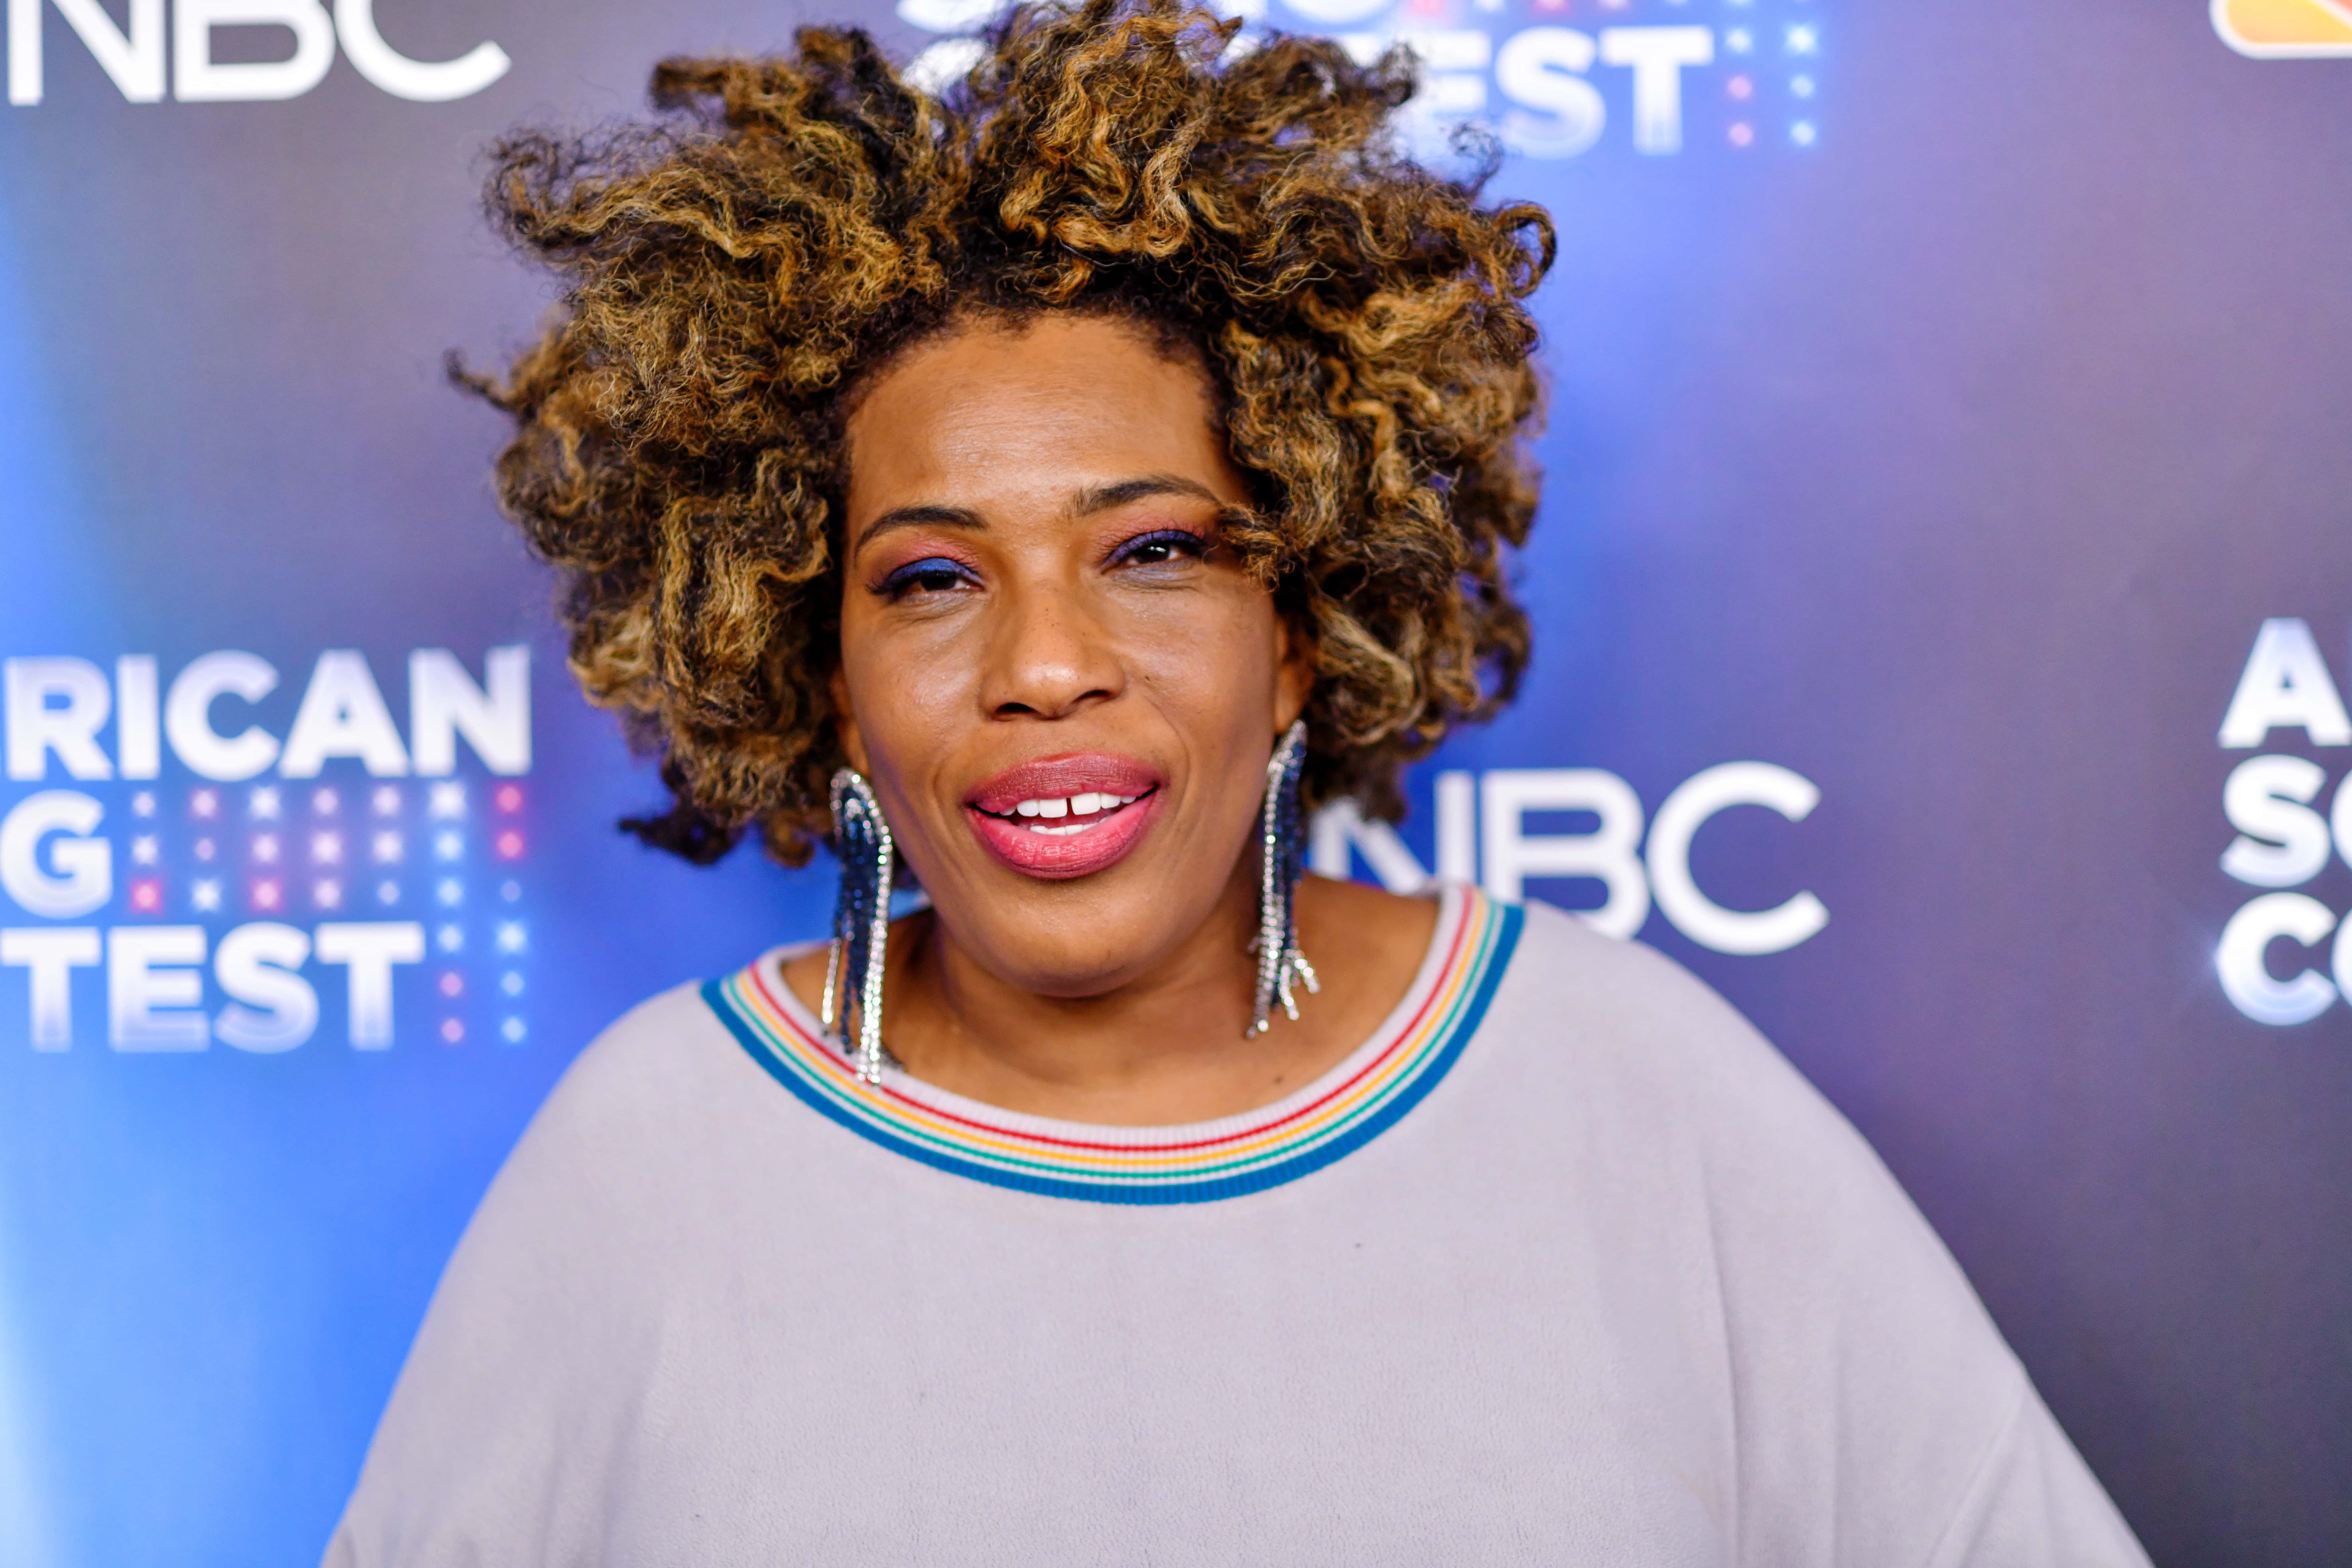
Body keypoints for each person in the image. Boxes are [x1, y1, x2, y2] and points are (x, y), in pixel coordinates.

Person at [327, 3, 2151, 1561]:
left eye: (1156, 552)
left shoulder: (1628, 1092)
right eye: (934, 579)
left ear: (1303, 627)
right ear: (820, 675)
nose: (1047, 664)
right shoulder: (652, 1162)